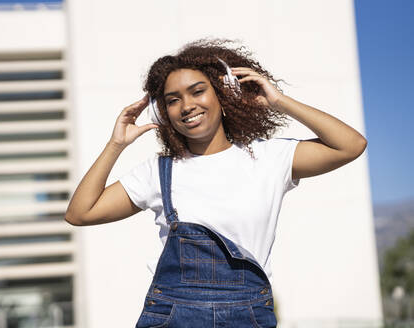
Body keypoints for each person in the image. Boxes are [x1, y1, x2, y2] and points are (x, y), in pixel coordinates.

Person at [65, 39, 367, 327]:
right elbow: (80, 213)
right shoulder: (158, 172)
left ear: (224, 96)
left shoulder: (268, 158)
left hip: (248, 318)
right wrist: (116, 143)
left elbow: (350, 145)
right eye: (173, 100)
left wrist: (279, 101)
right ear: (164, 114)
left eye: (197, 92)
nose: (187, 106)